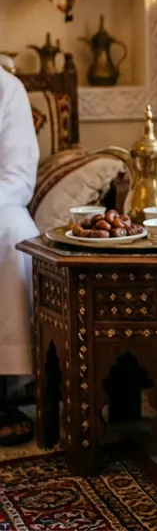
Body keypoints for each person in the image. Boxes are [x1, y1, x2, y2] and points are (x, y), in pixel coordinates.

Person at [0, 66, 38, 445]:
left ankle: (4, 389)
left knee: (13, 234)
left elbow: (18, 179)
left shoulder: (7, 89)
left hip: (0, 204)